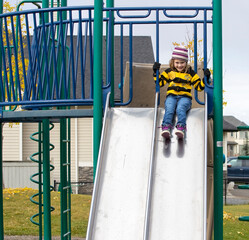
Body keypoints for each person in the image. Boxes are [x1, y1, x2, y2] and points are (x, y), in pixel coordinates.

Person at [153, 45, 210, 139]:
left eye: (182, 62)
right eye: (177, 62)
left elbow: (199, 87)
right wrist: (156, 72)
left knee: (180, 108)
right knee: (170, 108)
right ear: (173, 62)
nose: (179, 65)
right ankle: (166, 127)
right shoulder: (169, 72)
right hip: (171, 96)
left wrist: (206, 78)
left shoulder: (191, 73)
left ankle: (181, 127)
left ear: (186, 62)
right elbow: (160, 83)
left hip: (185, 98)